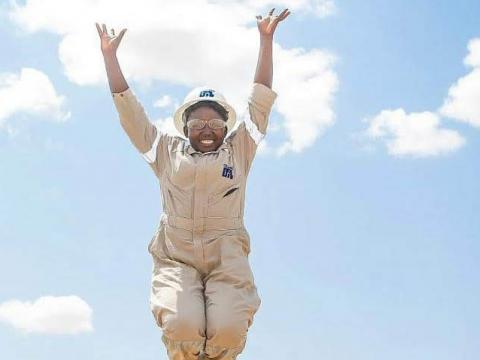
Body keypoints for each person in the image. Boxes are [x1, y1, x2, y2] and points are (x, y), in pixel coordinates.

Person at [96, 7, 290, 360]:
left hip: (226, 254)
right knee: (183, 325)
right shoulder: (165, 151)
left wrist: (265, 40)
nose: (206, 130)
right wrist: (110, 58)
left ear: (226, 128)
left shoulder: (240, 151)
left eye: (214, 124)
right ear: (184, 128)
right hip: (176, 255)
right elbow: (130, 113)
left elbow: (260, 99)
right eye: (197, 123)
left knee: (228, 330)